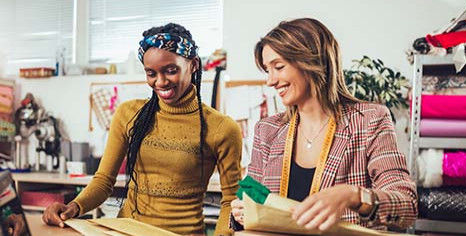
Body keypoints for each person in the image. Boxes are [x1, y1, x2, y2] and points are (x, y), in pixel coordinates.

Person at [41, 23, 242, 235]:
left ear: (193, 65)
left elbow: (231, 202)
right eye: (151, 73)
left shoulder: (221, 128)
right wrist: (72, 208)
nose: (160, 82)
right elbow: (103, 181)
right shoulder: (129, 114)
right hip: (125, 231)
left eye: (171, 71)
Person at [230, 18, 417, 232]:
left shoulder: (369, 120)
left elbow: (407, 206)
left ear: (311, 61)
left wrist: (353, 196)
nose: (270, 81)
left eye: (279, 67)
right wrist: (240, 212)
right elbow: (251, 200)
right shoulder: (268, 130)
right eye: (267, 70)